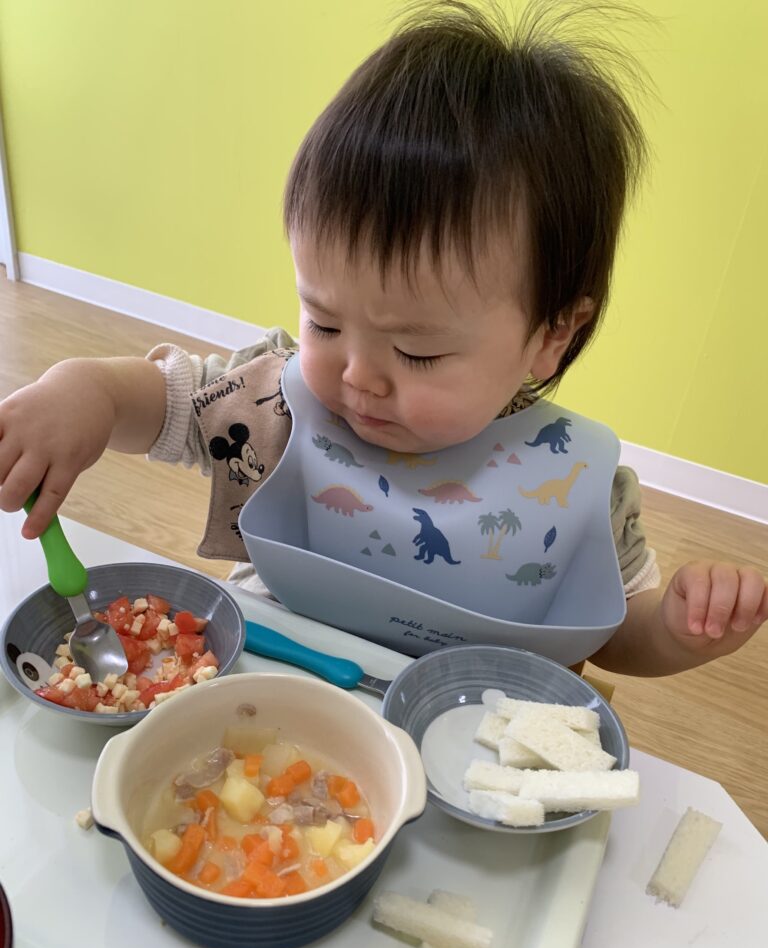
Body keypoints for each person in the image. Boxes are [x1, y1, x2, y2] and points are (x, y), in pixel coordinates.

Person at [0, 1, 765, 675]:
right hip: (271, 698)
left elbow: (611, 632)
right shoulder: (278, 405)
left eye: (418, 352)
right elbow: (169, 406)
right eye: (325, 323)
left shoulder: (581, 486)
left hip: (459, 738)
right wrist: (91, 392)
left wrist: (677, 629)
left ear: (552, 335)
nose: (357, 376)